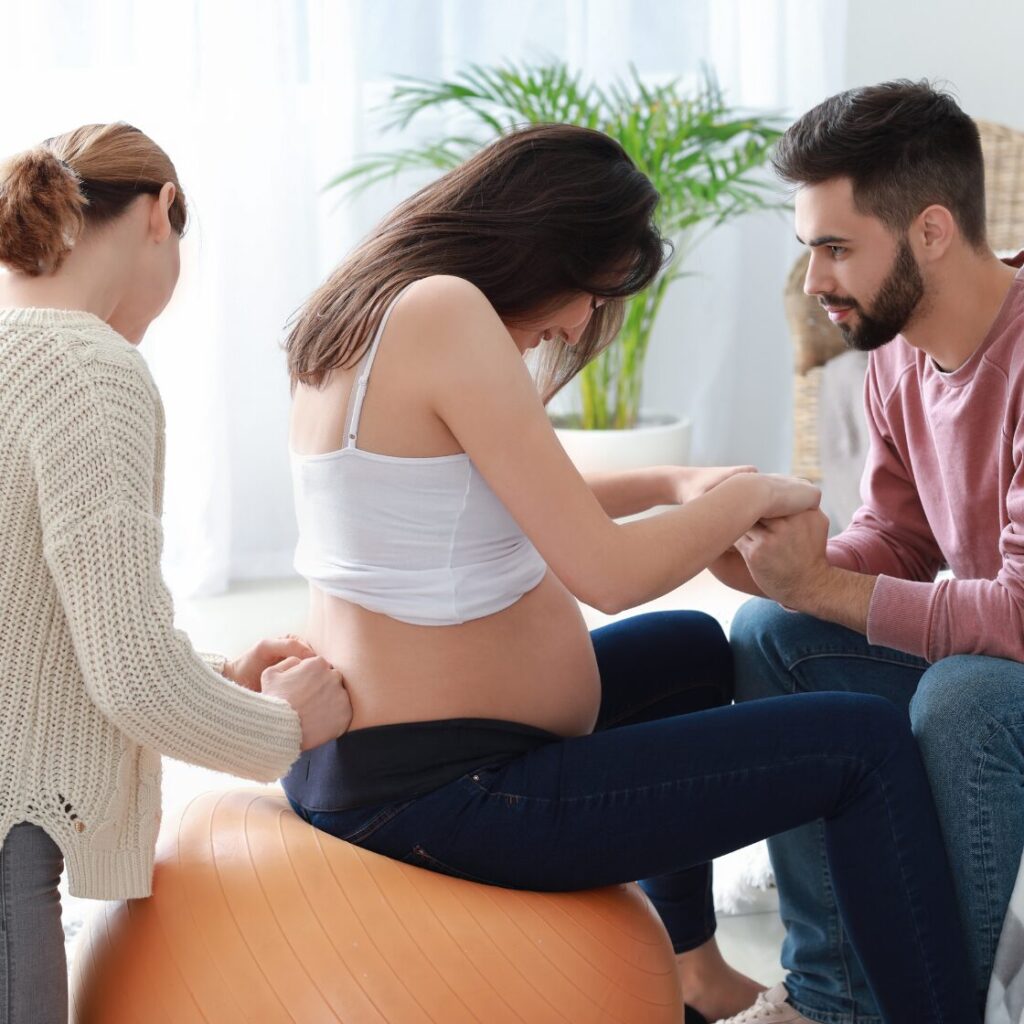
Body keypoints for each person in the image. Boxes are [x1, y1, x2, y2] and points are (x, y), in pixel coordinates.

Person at [281, 122, 978, 1024]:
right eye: (594, 291)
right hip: (450, 793)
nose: (580, 325)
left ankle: (689, 970)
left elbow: (501, 488)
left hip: (382, 764)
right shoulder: (444, 311)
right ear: (544, 242)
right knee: (861, 746)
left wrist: (675, 482)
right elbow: (603, 574)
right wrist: (745, 500)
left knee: (692, 650)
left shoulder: (375, 307)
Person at [0, 122, 353, 1024]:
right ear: (160, 213)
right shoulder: (88, 370)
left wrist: (217, 678)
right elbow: (125, 674)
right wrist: (283, 727)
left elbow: (40, 633)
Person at [715, 80, 1024, 1024]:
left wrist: (823, 584)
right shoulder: (894, 356)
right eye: (810, 249)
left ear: (932, 230)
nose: (815, 282)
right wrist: (790, 566)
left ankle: (936, 1006)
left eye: (836, 248)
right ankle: (833, 997)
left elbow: (1016, 614)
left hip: (1004, 665)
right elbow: (900, 535)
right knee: (773, 631)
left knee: (965, 693)